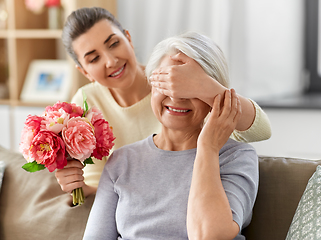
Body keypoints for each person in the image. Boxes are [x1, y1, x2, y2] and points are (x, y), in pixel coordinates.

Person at [56, 7, 270, 199]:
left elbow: (260, 131)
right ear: (84, 71)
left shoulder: (178, 83)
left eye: (114, 44)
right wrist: (78, 187)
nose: (111, 61)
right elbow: (100, 188)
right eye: (94, 59)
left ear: (128, 38)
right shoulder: (86, 103)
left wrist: (205, 85)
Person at [83, 31, 258, 240]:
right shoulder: (121, 160)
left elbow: (210, 236)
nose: (175, 95)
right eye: (167, 82)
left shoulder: (236, 157)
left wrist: (208, 148)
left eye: (190, 86)